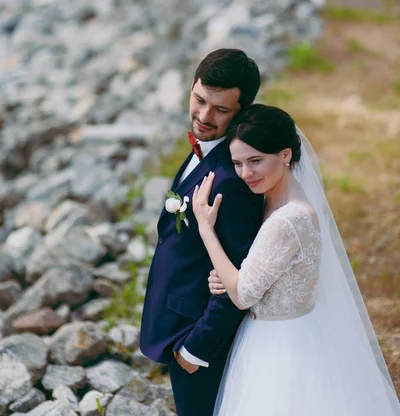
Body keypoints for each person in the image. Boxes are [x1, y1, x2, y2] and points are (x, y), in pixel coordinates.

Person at [193, 104, 400, 416]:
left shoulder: (289, 218)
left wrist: (206, 228)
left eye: (256, 161)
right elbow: (258, 276)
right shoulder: (272, 203)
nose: (245, 173)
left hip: (285, 346)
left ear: (286, 155)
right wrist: (228, 275)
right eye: (237, 163)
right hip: (275, 334)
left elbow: (242, 295)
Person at [140, 49, 265, 416]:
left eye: (221, 110)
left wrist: (195, 349)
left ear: (241, 111)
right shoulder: (205, 149)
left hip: (198, 339)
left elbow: (239, 276)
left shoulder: (234, 179)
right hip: (177, 322)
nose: (204, 116)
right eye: (199, 100)